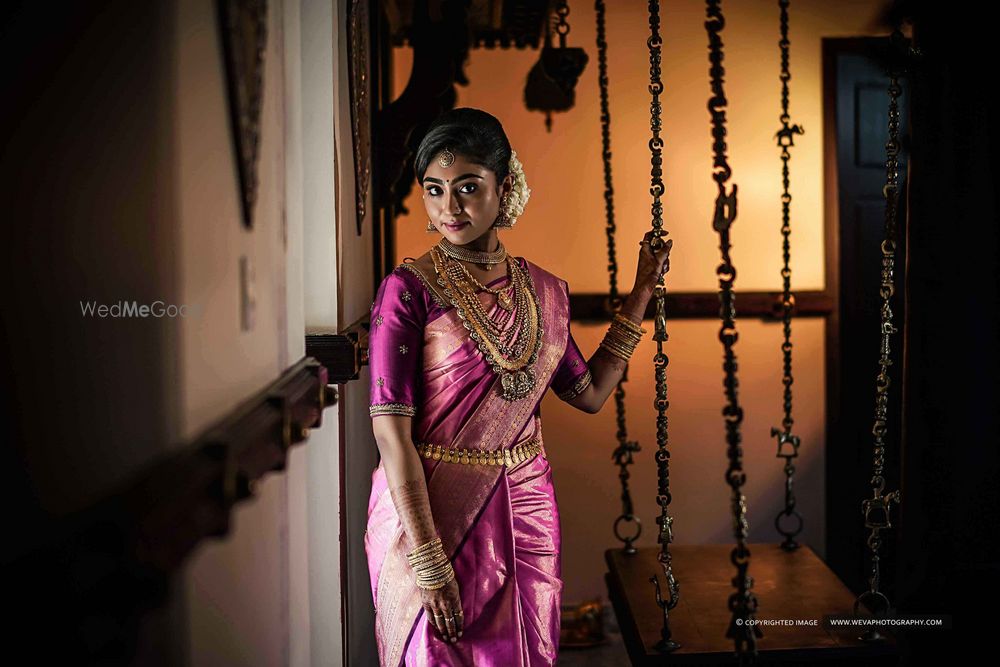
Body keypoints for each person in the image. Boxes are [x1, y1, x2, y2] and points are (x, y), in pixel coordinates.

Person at [365, 107, 672, 666]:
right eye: (434, 190)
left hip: (528, 505)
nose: (448, 208)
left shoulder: (545, 292)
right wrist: (428, 558)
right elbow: (391, 435)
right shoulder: (407, 291)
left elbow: (590, 393)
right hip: (433, 511)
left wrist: (641, 292)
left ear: (504, 186)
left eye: (467, 188)